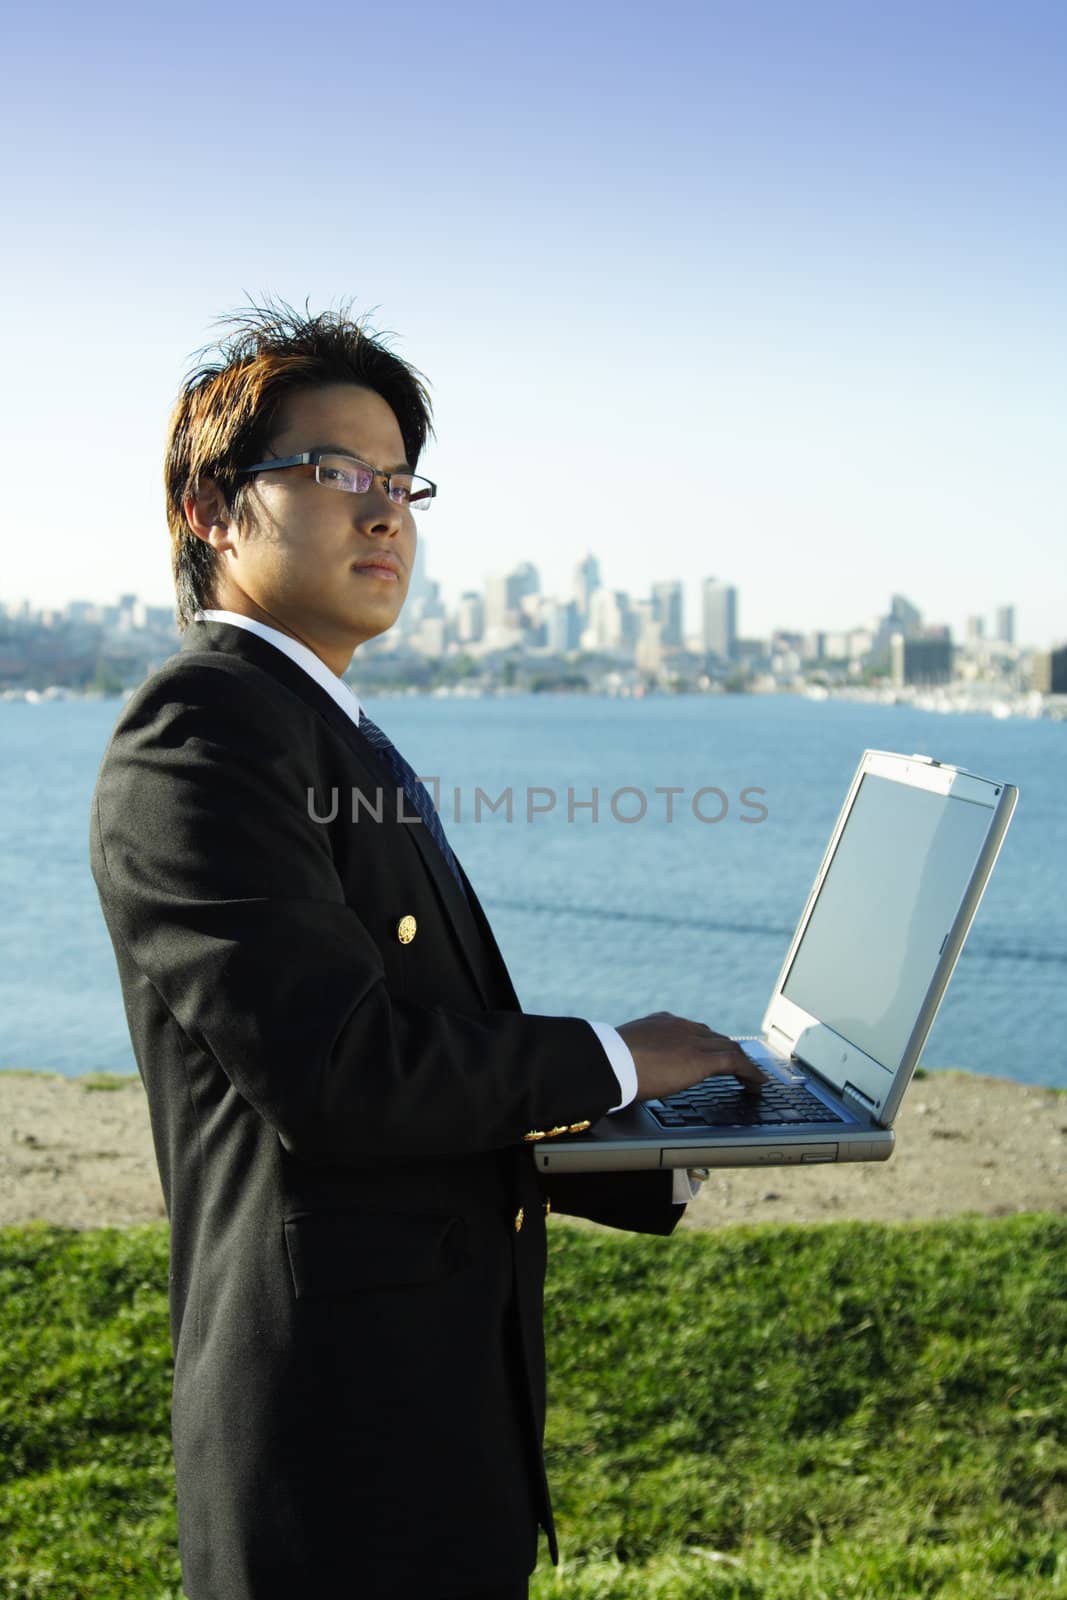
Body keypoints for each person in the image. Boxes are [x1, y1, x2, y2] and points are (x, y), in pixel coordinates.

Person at [89, 302, 767, 1600]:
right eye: (335, 475)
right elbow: (344, 1075)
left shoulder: (329, 728)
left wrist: (667, 1150)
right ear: (208, 510)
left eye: (400, 481)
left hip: (427, 1434)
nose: (384, 513)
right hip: (335, 1460)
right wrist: (616, 1060)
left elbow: (424, 1076)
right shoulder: (204, 731)